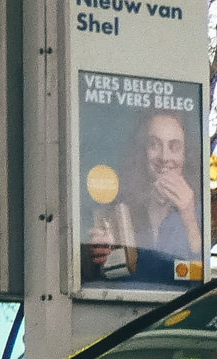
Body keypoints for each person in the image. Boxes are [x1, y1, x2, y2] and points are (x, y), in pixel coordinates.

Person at [84, 108, 203, 285]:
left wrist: (189, 220)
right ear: (142, 152)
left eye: (174, 147)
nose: (164, 157)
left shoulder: (200, 214)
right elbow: (95, 282)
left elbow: (204, 280)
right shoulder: (119, 212)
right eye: (154, 144)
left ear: (186, 155)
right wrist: (97, 259)